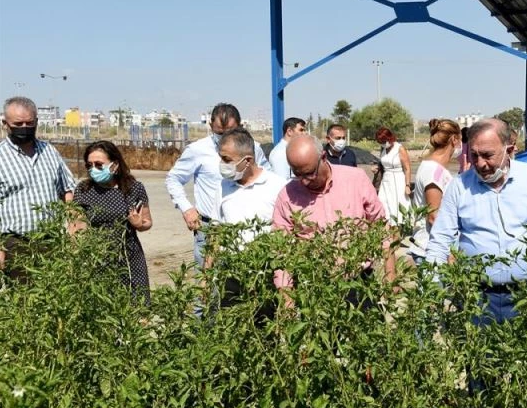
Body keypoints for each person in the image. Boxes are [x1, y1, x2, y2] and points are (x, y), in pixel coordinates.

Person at [425, 118, 527, 324]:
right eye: (474, 155)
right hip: (476, 298)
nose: (481, 164)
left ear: (508, 149)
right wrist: (431, 288)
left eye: (488, 155)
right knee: (478, 356)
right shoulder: (460, 186)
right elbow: (440, 240)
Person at [271, 135, 395, 300]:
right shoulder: (287, 196)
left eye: (309, 173)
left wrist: (391, 275)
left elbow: (381, 227)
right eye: (297, 174)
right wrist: (287, 302)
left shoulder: (355, 179)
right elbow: (282, 252)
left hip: (358, 282)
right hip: (313, 286)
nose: (304, 182)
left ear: (322, 157)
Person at [165, 103, 268, 267]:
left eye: (231, 131)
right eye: (220, 133)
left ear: (241, 127)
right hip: (210, 228)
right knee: (209, 285)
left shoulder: (253, 148)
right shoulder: (198, 150)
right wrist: (187, 209)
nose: (225, 137)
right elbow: (173, 178)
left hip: (246, 226)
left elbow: (266, 178)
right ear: (211, 125)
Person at [205, 128, 287, 308]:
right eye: (221, 158)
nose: (221, 164)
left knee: (265, 330)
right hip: (232, 273)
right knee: (231, 327)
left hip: (265, 273)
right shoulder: (223, 186)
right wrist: (206, 275)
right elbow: (216, 231)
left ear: (248, 161)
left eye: (227, 160)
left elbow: (286, 234)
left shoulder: (277, 187)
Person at [0, 97, 76, 279]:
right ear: (5, 124)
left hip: (51, 240)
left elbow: (67, 190)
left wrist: (74, 225)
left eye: (29, 123)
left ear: (37, 122)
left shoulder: (49, 151)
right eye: (18, 123)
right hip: (15, 243)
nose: (24, 127)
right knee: (24, 300)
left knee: (56, 295)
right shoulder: (0, 157)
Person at [72, 141, 152, 302]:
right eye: (89, 165)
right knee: (102, 306)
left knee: (136, 307)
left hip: (129, 256)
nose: (93, 169)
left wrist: (138, 224)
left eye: (99, 165)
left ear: (115, 165)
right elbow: (76, 227)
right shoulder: (84, 190)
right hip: (97, 258)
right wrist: (75, 256)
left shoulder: (134, 188)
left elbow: (147, 221)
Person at [409, 118, 461, 262]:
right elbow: (433, 216)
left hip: (433, 248)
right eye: (461, 140)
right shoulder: (434, 172)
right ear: (454, 139)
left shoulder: (433, 167)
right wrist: (449, 251)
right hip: (432, 250)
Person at [375, 127, 411, 226]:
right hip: (386, 180)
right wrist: (377, 169)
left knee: (396, 207)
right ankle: (386, 231)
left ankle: (397, 230)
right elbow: (382, 164)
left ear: (390, 138)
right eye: (380, 141)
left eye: (384, 141)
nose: (383, 143)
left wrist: (407, 185)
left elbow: (407, 168)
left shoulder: (400, 149)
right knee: (383, 204)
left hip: (397, 180)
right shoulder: (383, 149)